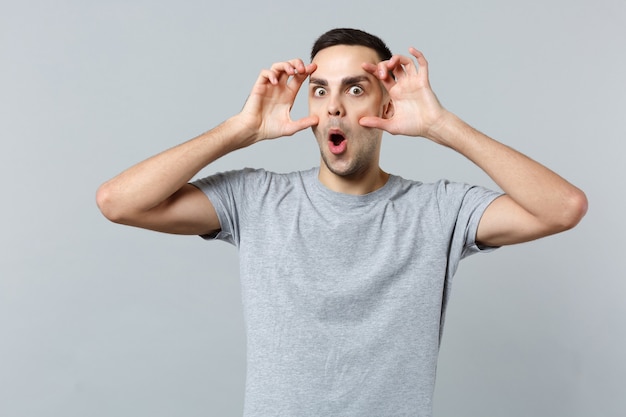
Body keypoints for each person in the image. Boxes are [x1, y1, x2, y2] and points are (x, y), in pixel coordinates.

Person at [96, 28, 587, 417]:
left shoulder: (438, 211)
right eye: (320, 90)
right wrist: (239, 130)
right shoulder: (256, 198)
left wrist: (441, 126)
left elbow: (562, 207)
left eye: (356, 89)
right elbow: (119, 202)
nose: (334, 106)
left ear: (387, 106)